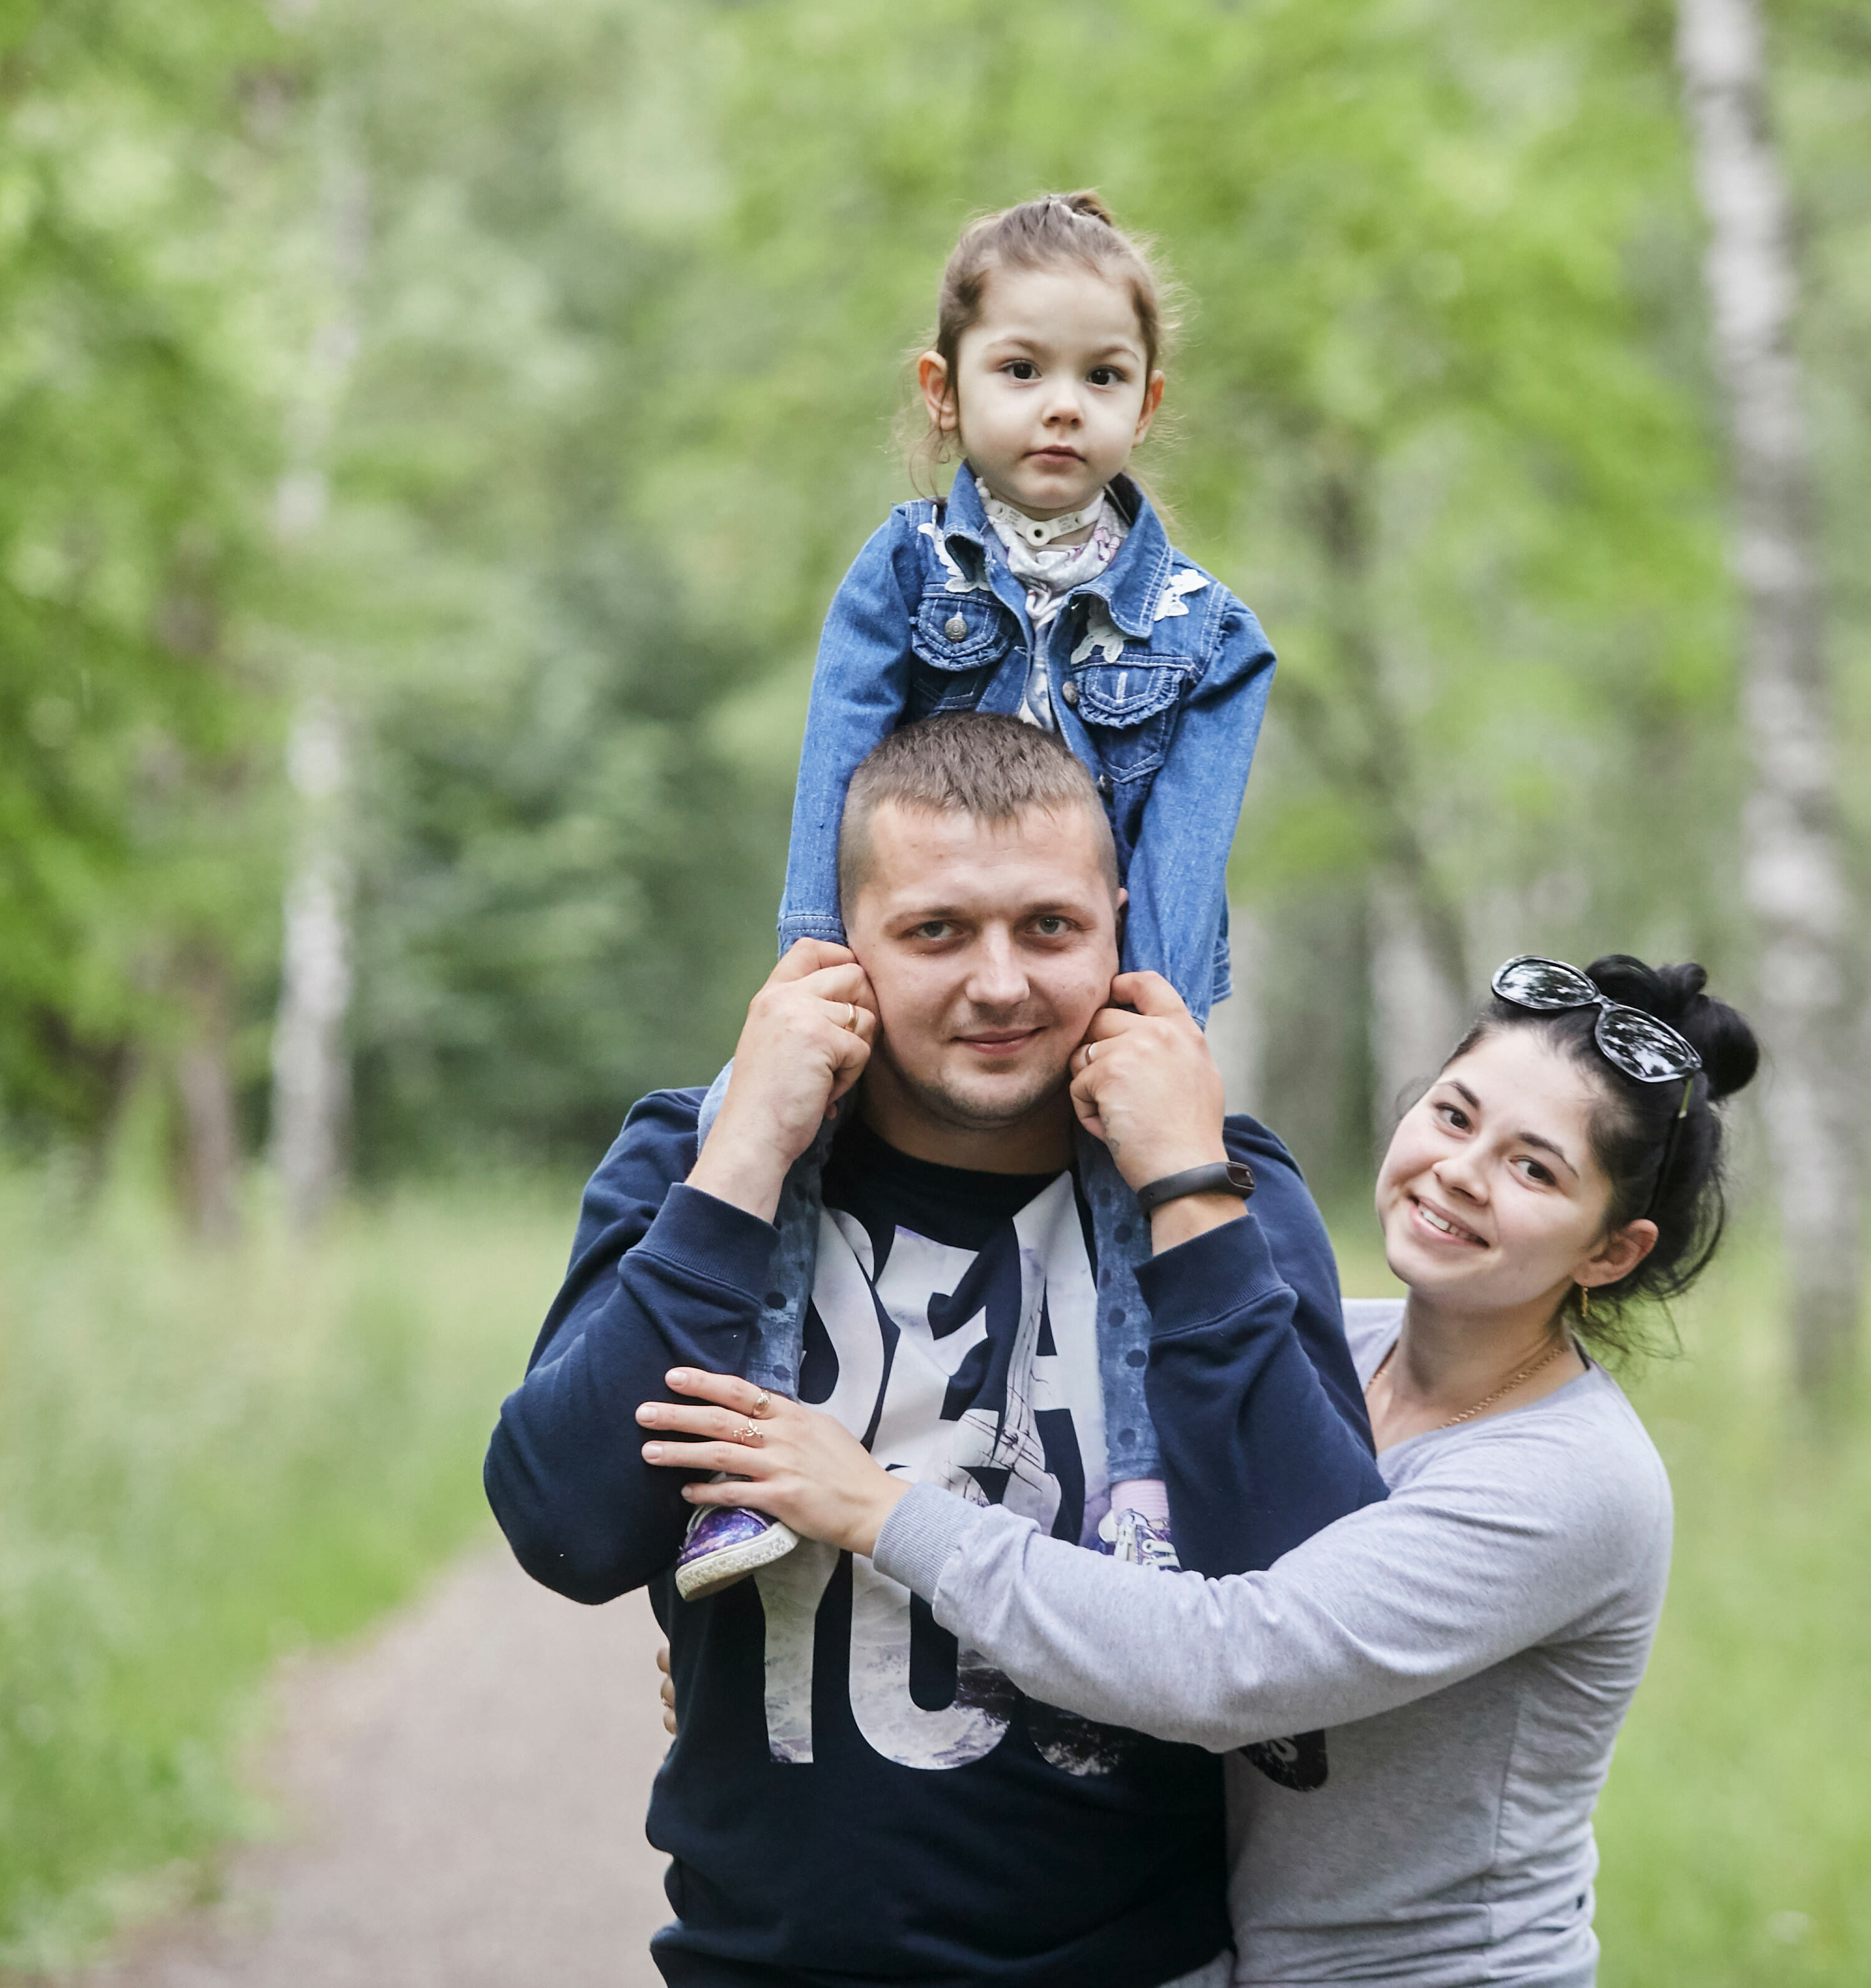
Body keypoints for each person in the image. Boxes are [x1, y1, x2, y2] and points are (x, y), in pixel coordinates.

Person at [634, 954, 1755, 1987]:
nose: (1460, 1172)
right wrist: (812, 1649)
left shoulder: (1571, 1480)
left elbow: (1228, 1660)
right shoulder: (1324, 1352)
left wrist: (882, 1512)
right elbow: (1106, 1558)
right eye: (1454, 1115)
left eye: (1534, 1168)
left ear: (1612, 1250)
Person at [484, 712, 1381, 1988]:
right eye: (936, 932)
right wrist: (747, 1155)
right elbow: (566, 1531)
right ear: (844, 945)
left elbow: (1324, 1620)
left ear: (1118, 928)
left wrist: (1184, 1186)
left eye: (1050, 927)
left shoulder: (1216, 1187)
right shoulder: (701, 1159)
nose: (1001, 983)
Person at [671, 188, 1275, 1603]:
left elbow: (1187, 840)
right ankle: (746, 1462)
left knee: (1140, 1183)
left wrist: (1153, 1017)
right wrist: (812, 959)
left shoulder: (1207, 631)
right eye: (1022, 370)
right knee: (746, 1120)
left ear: (1147, 403)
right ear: (944, 393)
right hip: (909, 965)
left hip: (1090, 985)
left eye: (1102, 377)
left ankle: (1140, 1488)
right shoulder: (904, 569)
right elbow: (838, 763)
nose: (1063, 406)